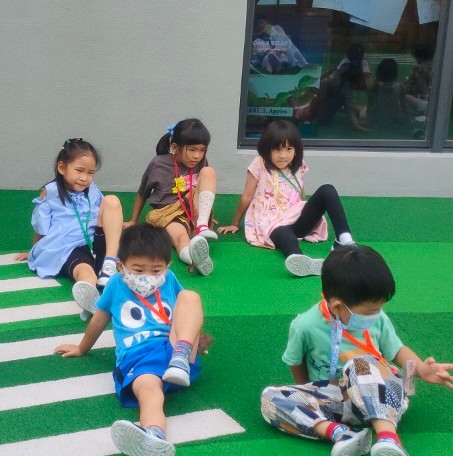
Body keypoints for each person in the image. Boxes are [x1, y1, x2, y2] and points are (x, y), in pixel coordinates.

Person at [259, 245, 453, 456]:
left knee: (359, 363)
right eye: (370, 311)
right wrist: (308, 393)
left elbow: (397, 350)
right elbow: (295, 362)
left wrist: (423, 370)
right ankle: (342, 434)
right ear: (337, 306)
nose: (376, 314)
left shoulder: (378, 318)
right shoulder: (304, 325)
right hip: (336, 401)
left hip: (381, 395)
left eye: (379, 308)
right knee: (270, 396)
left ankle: (388, 439)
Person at [54, 224, 206, 456]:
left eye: (156, 270)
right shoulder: (116, 284)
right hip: (139, 358)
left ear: (167, 266)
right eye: (138, 269)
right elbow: (99, 320)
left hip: (177, 353)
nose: (148, 277)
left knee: (191, 297)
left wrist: (192, 339)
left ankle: (180, 357)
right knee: (149, 392)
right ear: (120, 266)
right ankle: (153, 436)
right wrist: (82, 348)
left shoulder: (169, 279)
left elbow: (187, 310)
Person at [218, 119, 355, 277]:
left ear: (296, 149)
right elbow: (247, 196)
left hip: (296, 217)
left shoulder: (298, 163)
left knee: (327, 190)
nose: (283, 155)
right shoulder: (259, 164)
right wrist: (235, 223)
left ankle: (343, 239)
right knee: (286, 236)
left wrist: (308, 210)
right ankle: (299, 259)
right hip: (272, 222)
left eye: (289, 149)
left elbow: (300, 190)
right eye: (277, 149)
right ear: (266, 149)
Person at [19, 138, 124, 318]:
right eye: (79, 170)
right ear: (62, 168)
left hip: (96, 242)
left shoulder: (92, 189)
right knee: (86, 273)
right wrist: (35, 250)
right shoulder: (50, 192)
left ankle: (109, 264)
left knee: (112, 201)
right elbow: (40, 225)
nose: (85, 178)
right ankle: (91, 298)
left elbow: (105, 213)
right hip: (69, 247)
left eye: (91, 173)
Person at [129, 119, 218, 276]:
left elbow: (203, 187)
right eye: (192, 149)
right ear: (175, 147)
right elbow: (143, 192)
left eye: (202, 150)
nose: (197, 156)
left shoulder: (201, 162)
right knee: (181, 238)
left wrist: (207, 213)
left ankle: (202, 226)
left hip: (193, 211)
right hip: (168, 214)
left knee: (208, 172)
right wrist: (133, 220)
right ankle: (194, 259)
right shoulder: (158, 163)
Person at [317, 44, 371, 131]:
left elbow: (348, 104)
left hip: (335, 94)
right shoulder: (334, 79)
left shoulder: (344, 84)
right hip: (325, 97)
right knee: (323, 119)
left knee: (341, 102)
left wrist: (356, 124)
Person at [363, 57, 412, 127]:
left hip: (378, 120)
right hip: (395, 120)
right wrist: (409, 120)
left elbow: (370, 106)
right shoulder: (400, 87)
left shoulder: (375, 86)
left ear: (380, 71)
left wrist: (367, 122)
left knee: (360, 109)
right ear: (395, 73)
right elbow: (404, 107)